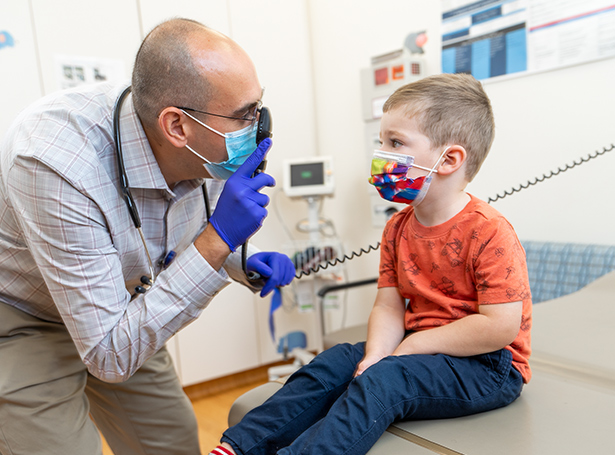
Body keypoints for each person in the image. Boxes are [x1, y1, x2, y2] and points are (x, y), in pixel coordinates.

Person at [0, 18, 295, 455]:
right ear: (176, 127)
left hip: (121, 305)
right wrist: (218, 241)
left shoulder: (204, 140)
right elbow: (109, 355)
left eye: (258, 108)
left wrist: (237, 259)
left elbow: (194, 225)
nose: (260, 128)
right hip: (25, 315)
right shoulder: (53, 161)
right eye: (245, 116)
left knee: (170, 440)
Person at [208, 73, 532, 455]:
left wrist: (411, 348)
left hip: (487, 366)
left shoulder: (489, 231)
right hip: (418, 351)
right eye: (381, 141)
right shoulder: (398, 228)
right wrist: (376, 353)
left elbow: (499, 327)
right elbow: (388, 304)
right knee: (337, 361)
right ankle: (238, 448)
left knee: (388, 379)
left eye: (395, 142)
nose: (381, 154)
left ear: (449, 159)